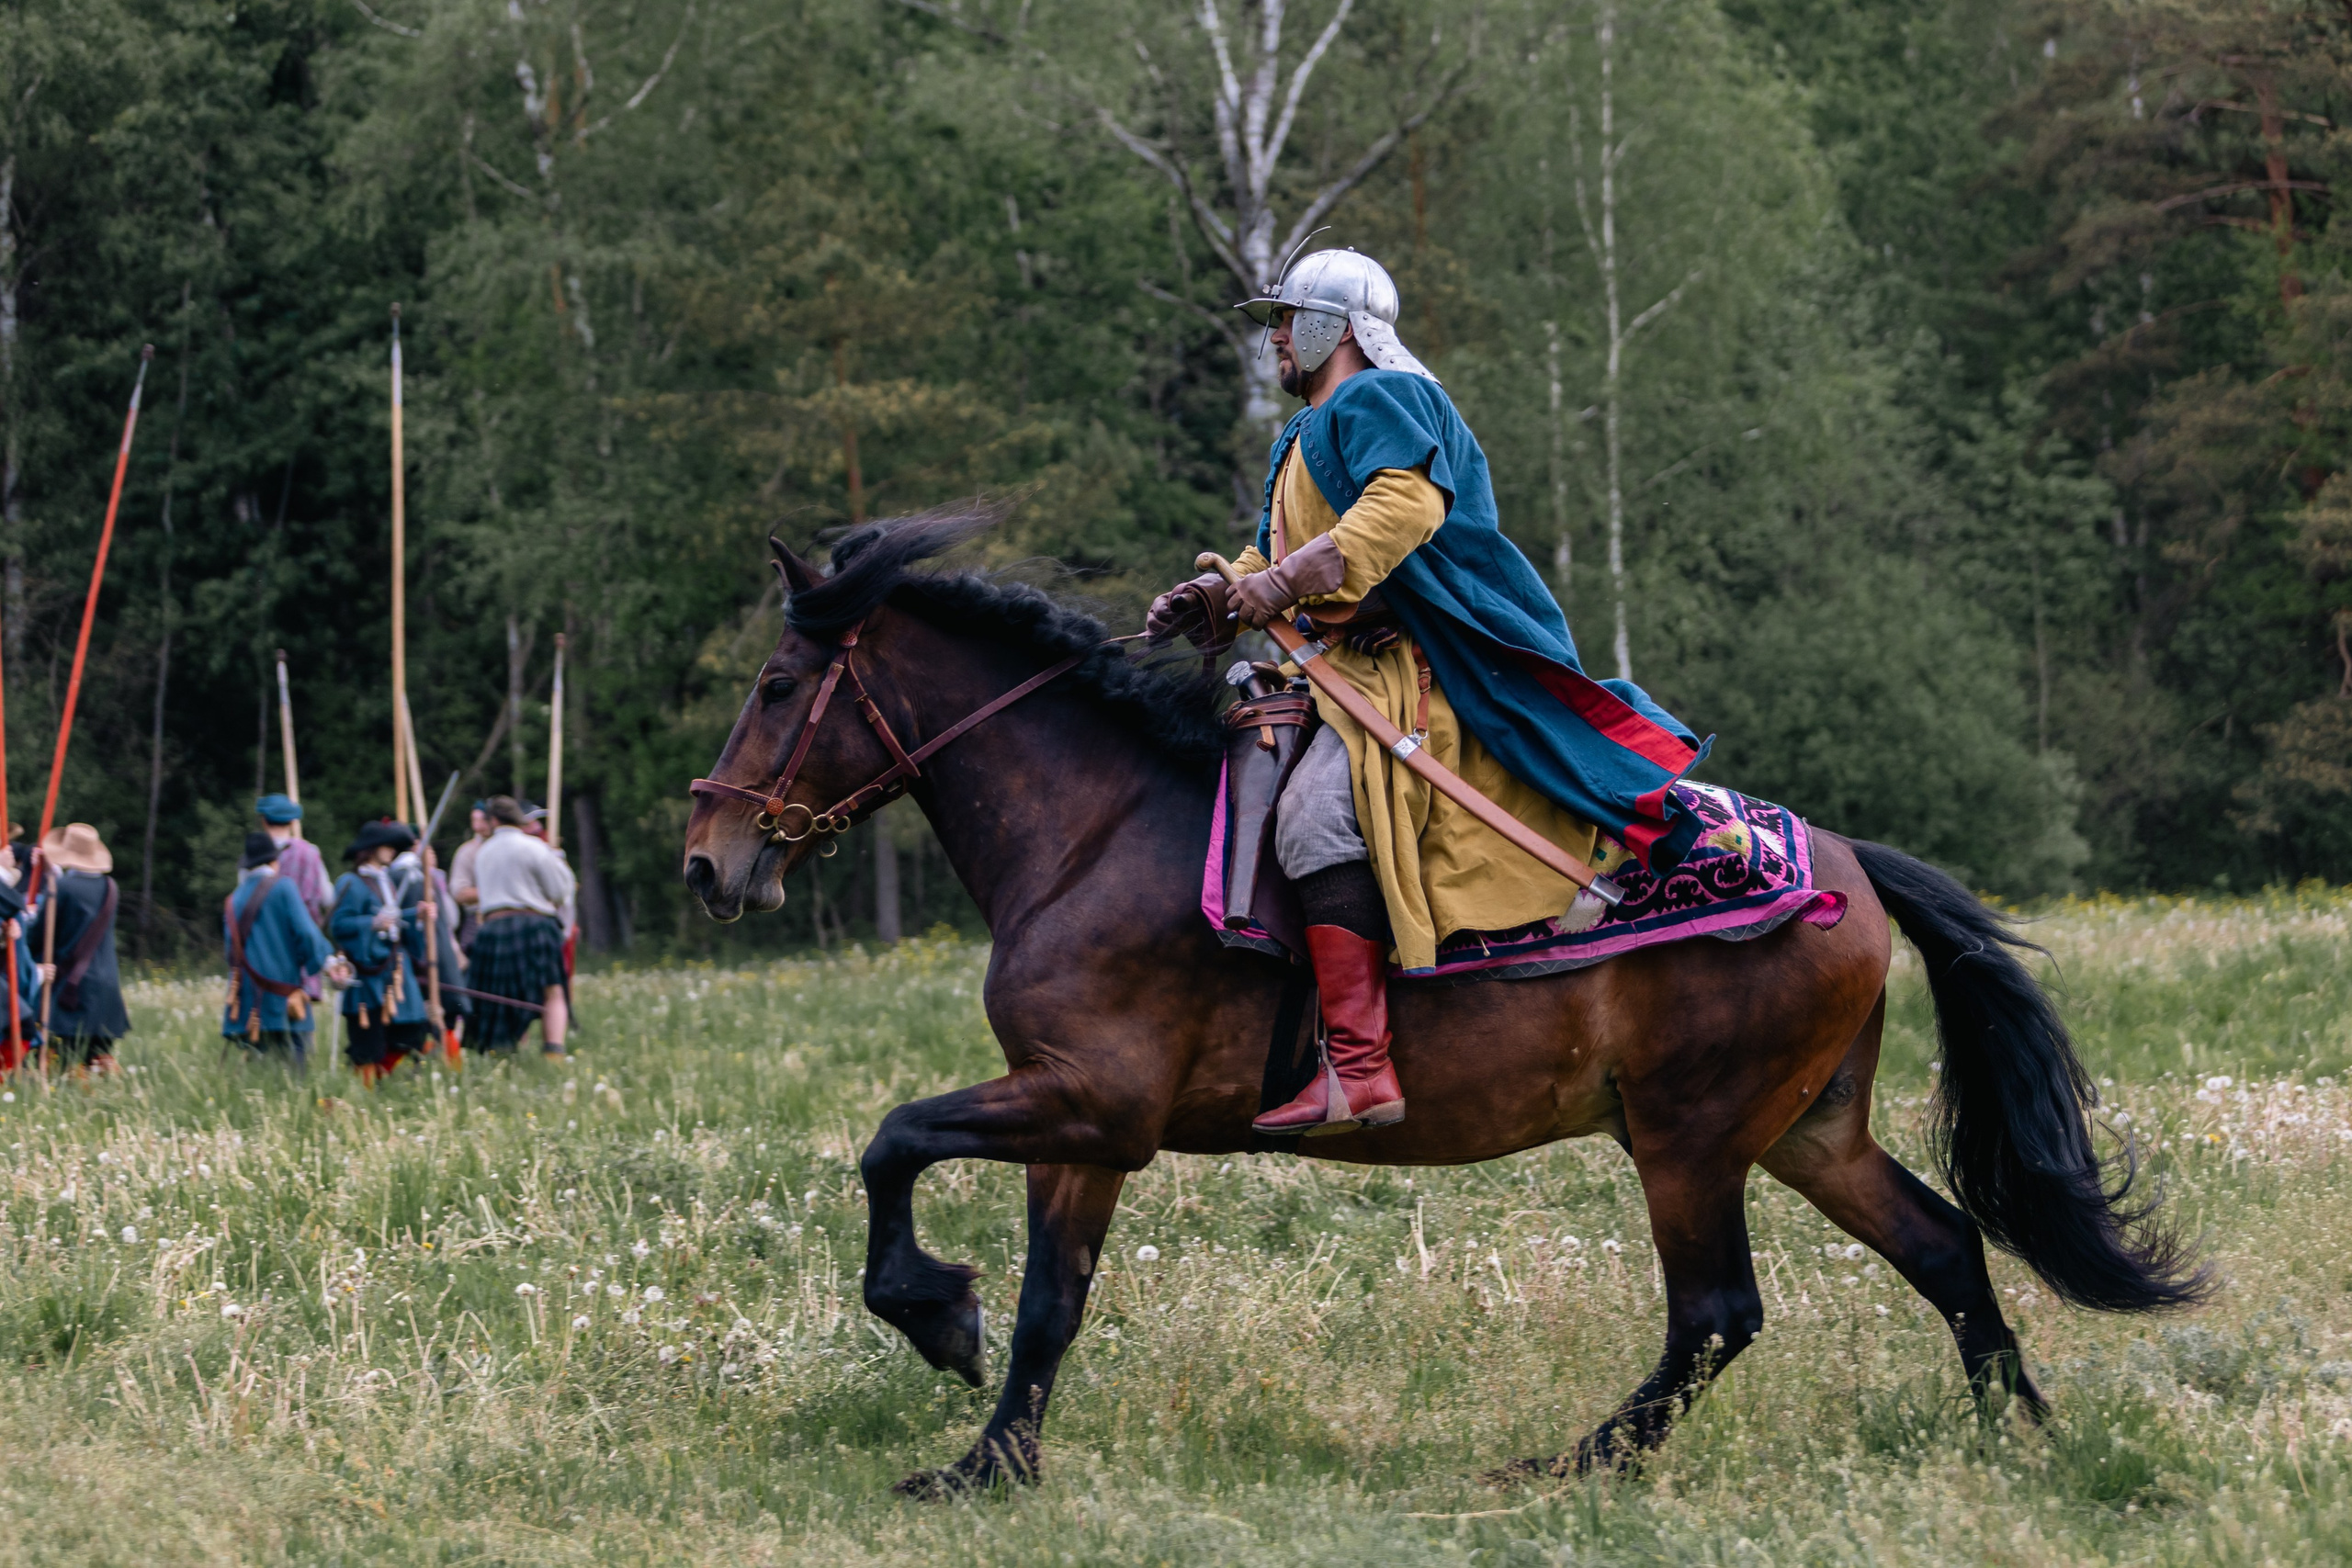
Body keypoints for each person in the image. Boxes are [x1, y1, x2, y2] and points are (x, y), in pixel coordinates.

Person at [1147, 248, 1708, 1137]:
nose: (1277, 340)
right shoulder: (1302, 435)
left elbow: (1401, 510)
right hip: (1334, 671)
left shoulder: (1380, 399)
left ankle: (1360, 1072)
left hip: (1411, 673)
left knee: (1314, 818)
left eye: (1286, 321)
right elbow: (1272, 555)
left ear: (1333, 326)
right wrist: (1217, 595)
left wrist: (1282, 585)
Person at [468, 795, 575, 1058]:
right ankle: (554, 1053)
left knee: (502, 995)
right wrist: (556, 861)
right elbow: (561, 891)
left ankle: (505, 1052)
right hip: (534, 924)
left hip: (493, 929)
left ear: (493, 820)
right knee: (552, 991)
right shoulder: (534, 847)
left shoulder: (482, 853)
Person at [223, 831, 343, 1065]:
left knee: (259, 1076)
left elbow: (230, 953)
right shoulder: (284, 887)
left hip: (248, 1001)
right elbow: (306, 932)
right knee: (293, 1079)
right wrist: (328, 963)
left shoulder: (233, 899)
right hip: (282, 999)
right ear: (274, 861)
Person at [331, 818, 433, 1084]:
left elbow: (401, 925)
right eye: (386, 845)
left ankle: (379, 1079)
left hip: (394, 971)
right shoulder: (351, 883)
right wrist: (372, 923)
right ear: (371, 848)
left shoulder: (387, 880)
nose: (391, 850)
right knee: (368, 1042)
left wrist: (420, 917)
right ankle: (363, 1091)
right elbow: (339, 925)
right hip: (368, 974)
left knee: (412, 1033)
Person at [37, 823, 129, 1074]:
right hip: (106, 985)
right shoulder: (111, 887)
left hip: (73, 987)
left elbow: (40, 934)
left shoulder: (62, 887)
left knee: (64, 1063)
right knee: (98, 1059)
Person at [255, 794, 332, 927]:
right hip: (303, 934)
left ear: (264, 821)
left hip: (268, 934)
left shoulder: (253, 855)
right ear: (292, 822)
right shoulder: (311, 851)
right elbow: (328, 898)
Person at [446, 801, 494, 950]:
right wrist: (497, 892)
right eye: (474, 820)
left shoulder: (510, 847)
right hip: (477, 921)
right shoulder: (467, 852)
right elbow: (459, 893)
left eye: (482, 820)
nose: (477, 827)